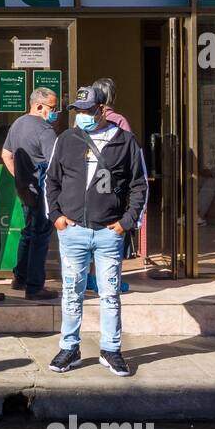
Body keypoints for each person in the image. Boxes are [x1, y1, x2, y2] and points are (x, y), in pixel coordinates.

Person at [45, 85, 148, 378]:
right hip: (73, 230)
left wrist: (125, 223)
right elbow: (51, 181)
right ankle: (69, 347)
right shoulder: (66, 139)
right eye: (78, 111)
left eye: (88, 110)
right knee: (72, 292)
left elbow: (139, 186)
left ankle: (111, 349)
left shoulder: (126, 142)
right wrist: (56, 217)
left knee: (109, 293)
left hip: (108, 232)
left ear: (103, 110)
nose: (82, 116)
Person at [1, 86, 60, 300]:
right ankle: (35, 287)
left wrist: (20, 179)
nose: (55, 112)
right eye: (52, 108)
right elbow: (56, 165)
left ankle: (20, 277)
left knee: (28, 232)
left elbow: (6, 154)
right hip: (42, 192)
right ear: (38, 106)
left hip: (25, 190)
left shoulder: (17, 124)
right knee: (40, 236)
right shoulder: (45, 131)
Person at [87, 77, 139, 294]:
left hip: (88, 186)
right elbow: (131, 154)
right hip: (112, 187)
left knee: (89, 232)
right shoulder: (119, 120)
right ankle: (109, 280)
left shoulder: (83, 120)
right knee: (112, 236)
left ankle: (90, 277)